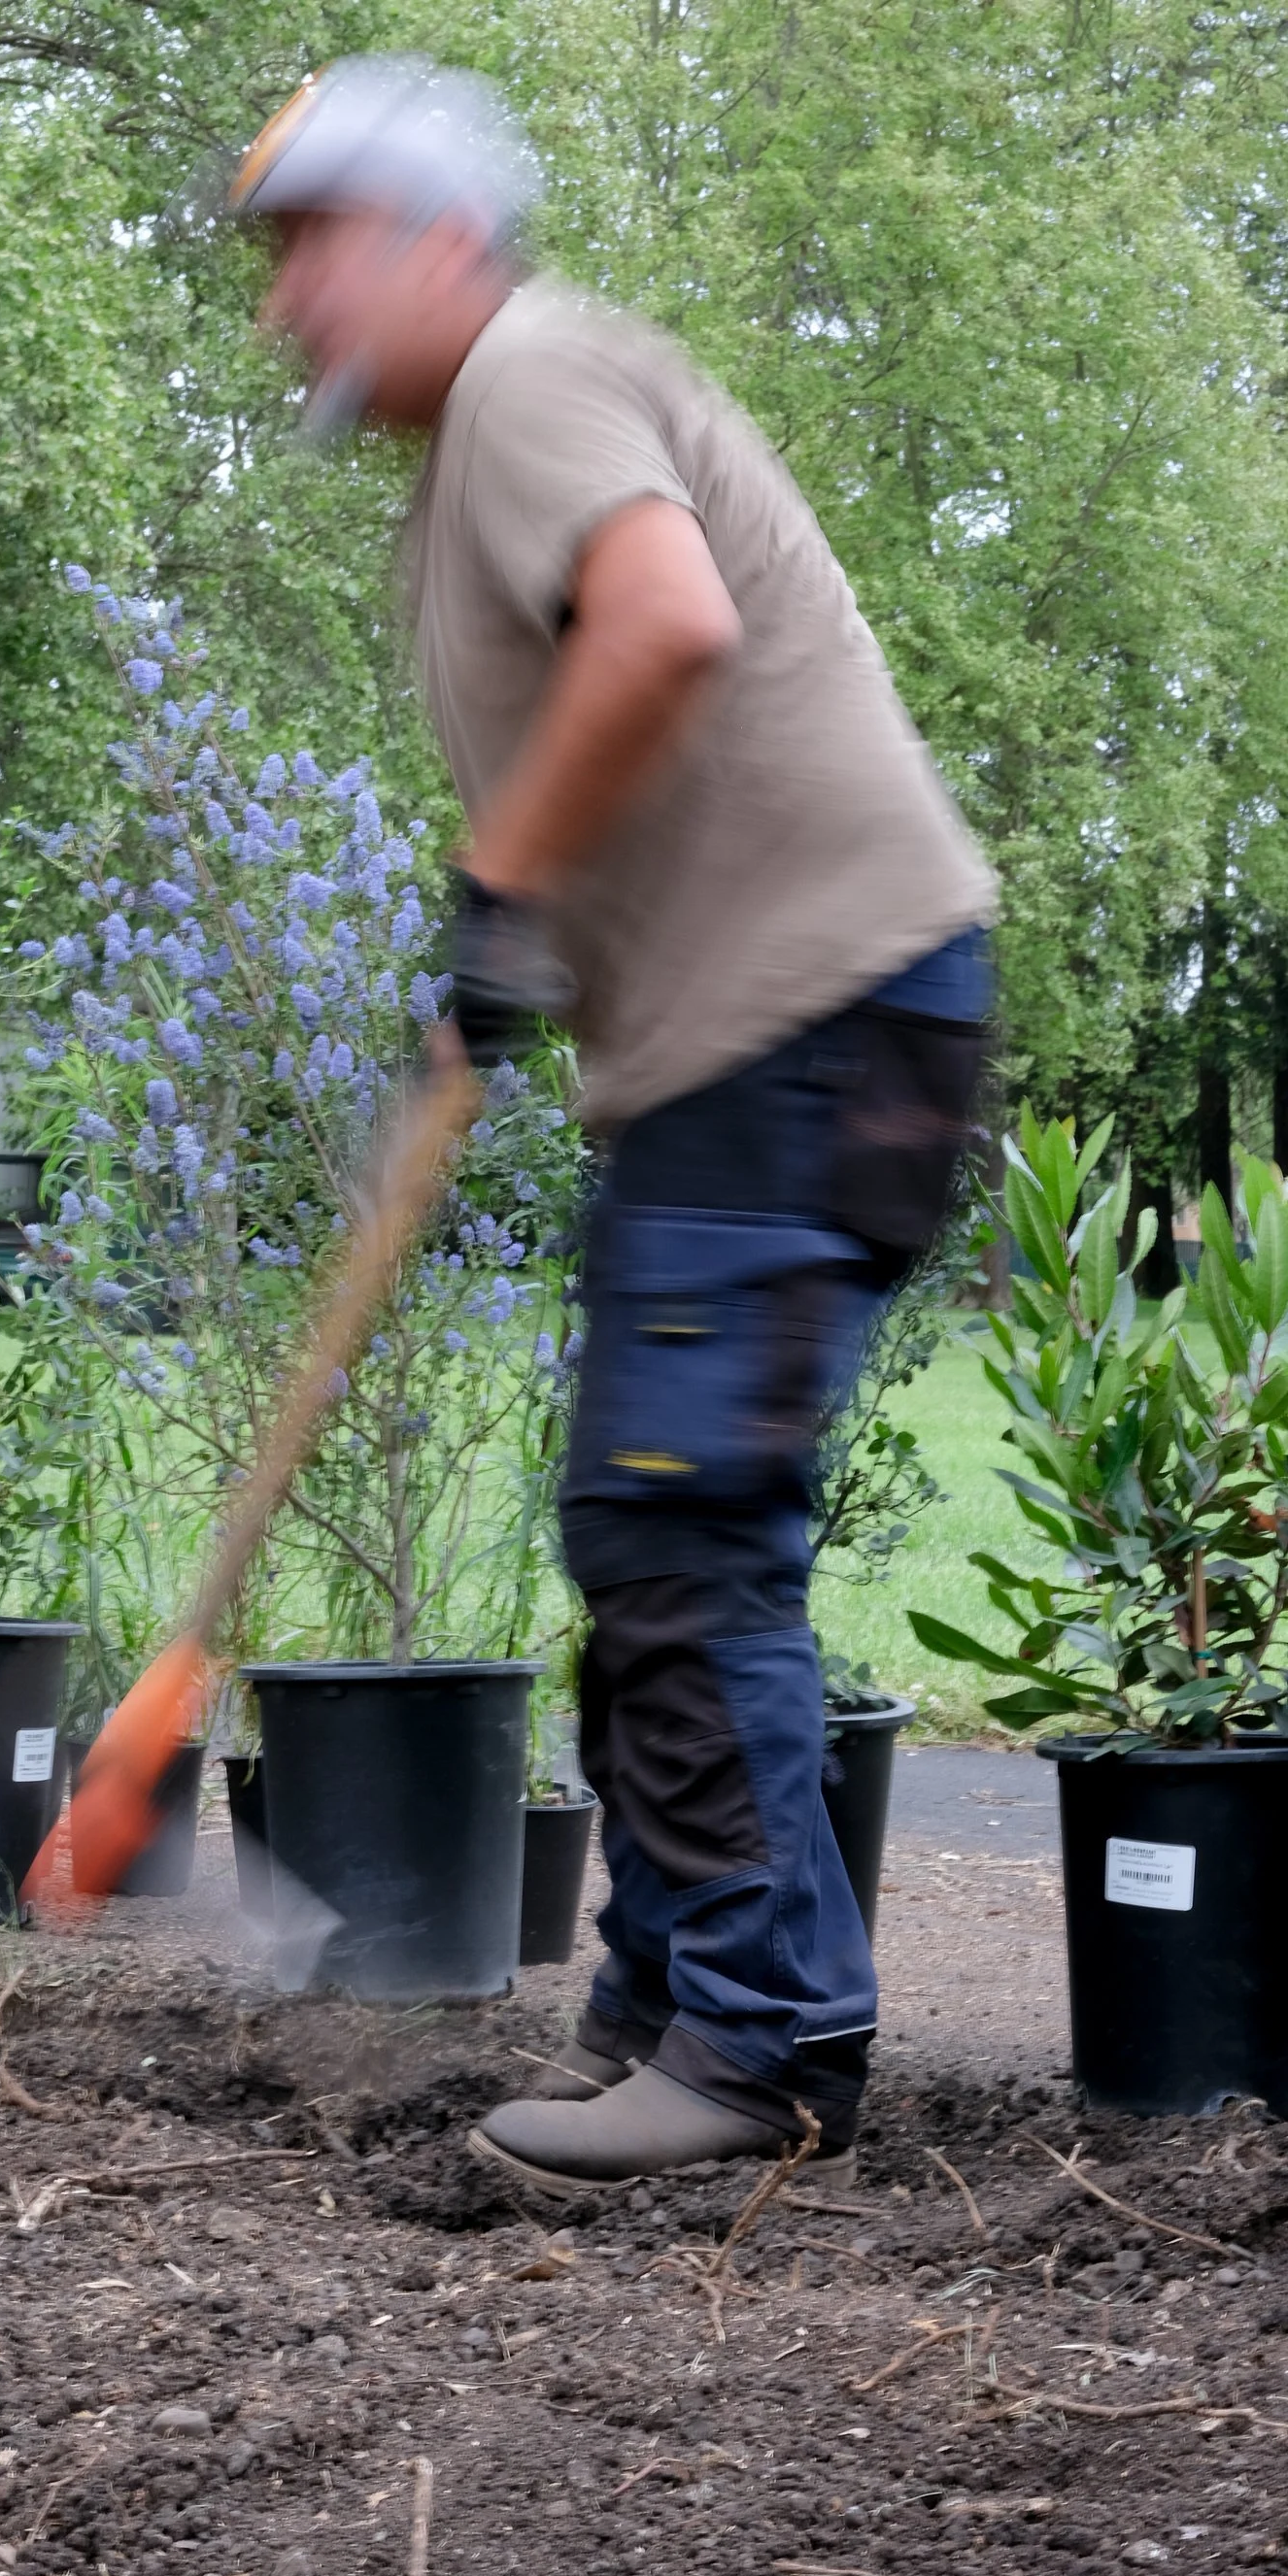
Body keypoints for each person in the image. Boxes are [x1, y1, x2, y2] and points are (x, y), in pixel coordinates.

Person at [230, 58, 995, 2187]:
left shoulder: (530, 381)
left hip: (804, 1026)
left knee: (678, 1531)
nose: (284, 303)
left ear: (431, 239)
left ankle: (758, 2050)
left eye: (310, 246)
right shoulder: (496, 427)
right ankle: (668, 2001)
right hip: (778, 1038)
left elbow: (663, 627)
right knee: (648, 1522)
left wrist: (502, 913)